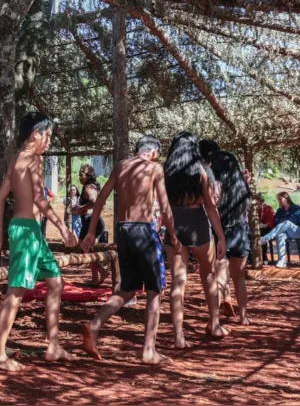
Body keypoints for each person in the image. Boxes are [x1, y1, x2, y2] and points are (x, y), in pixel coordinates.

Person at [0, 113, 78, 372]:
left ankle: (54, 344)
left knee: (55, 281)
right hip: (26, 231)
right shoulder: (33, 159)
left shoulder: (16, 159)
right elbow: (39, 200)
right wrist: (63, 227)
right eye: (47, 136)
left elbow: (0, 197)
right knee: (17, 290)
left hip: (29, 231)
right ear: (35, 133)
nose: (48, 143)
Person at [81, 135, 179, 365]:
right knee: (155, 289)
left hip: (123, 230)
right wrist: (174, 236)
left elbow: (101, 200)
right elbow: (164, 206)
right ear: (153, 151)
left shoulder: (121, 166)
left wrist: (90, 232)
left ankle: (94, 325)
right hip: (144, 230)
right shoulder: (154, 168)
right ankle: (149, 350)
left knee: (129, 288)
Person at [163, 132, 228, 347]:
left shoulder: (166, 170)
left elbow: (162, 205)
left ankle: (179, 336)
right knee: (208, 274)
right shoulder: (201, 170)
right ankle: (215, 324)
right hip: (197, 224)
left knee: (178, 281)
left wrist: (169, 229)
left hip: (175, 223)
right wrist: (220, 236)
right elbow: (210, 206)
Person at [210, 151, 252, 325]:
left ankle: (215, 318)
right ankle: (244, 317)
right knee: (239, 277)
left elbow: (213, 207)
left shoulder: (216, 185)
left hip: (221, 232)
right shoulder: (242, 186)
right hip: (241, 233)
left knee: (219, 274)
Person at [71, 164, 110, 286]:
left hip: (90, 221)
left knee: (85, 248)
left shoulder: (89, 188)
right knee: (88, 248)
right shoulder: (93, 185)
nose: (79, 178)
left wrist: (81, 208)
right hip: (89, 220)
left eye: (80, 175)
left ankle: (102, 271)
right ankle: (95, 277)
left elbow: (95, 202)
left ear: (86, 175)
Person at [260, 192, 300, 269]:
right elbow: (277, 222)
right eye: (278, 199)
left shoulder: (296, 208)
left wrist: (284, 222)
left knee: (287, 222)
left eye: (280, 198)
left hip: (298, 231)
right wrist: (283, 223)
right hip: (286, 233)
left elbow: (295, 220)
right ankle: (282, 261)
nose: (279, 201)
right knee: (280, 235)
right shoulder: (279, 211)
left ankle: (266, 238)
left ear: (286, 198)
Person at [257, 194, 276, 264]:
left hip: (266, 229)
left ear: (262, 203)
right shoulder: (251, 209)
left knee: (262, 233)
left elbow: (270, 223)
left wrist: (263, 225)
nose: (257, 206)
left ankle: (264, 257)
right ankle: (250, 257)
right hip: (254, 228)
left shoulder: (268, 208)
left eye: (258, 204)